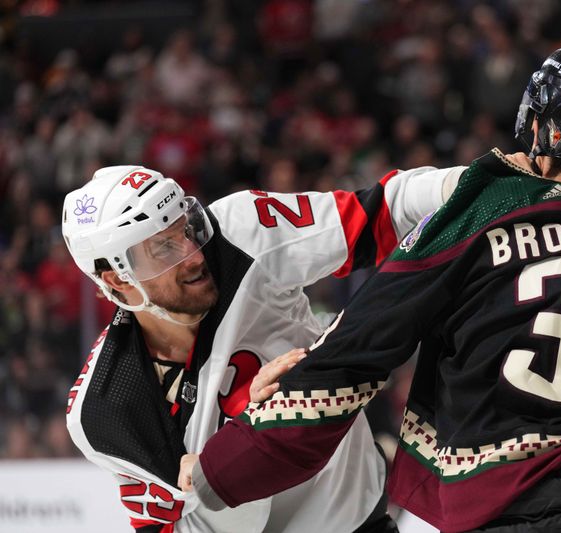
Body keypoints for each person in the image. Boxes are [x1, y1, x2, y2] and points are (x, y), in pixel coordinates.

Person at [181, 46, 561, 532]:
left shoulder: (484, 208)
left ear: (538, 124)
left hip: (507, 506)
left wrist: (223, 468)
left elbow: (360, 348)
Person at [62, 162, 462, 532]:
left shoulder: (240, 232)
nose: (192, 255)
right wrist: (248, 439)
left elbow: (384, 210)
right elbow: (193, 521)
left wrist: (483, 181)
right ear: (117, 280)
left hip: (359, 522)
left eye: (184, 229)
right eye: (162, 248)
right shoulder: (102, 410)